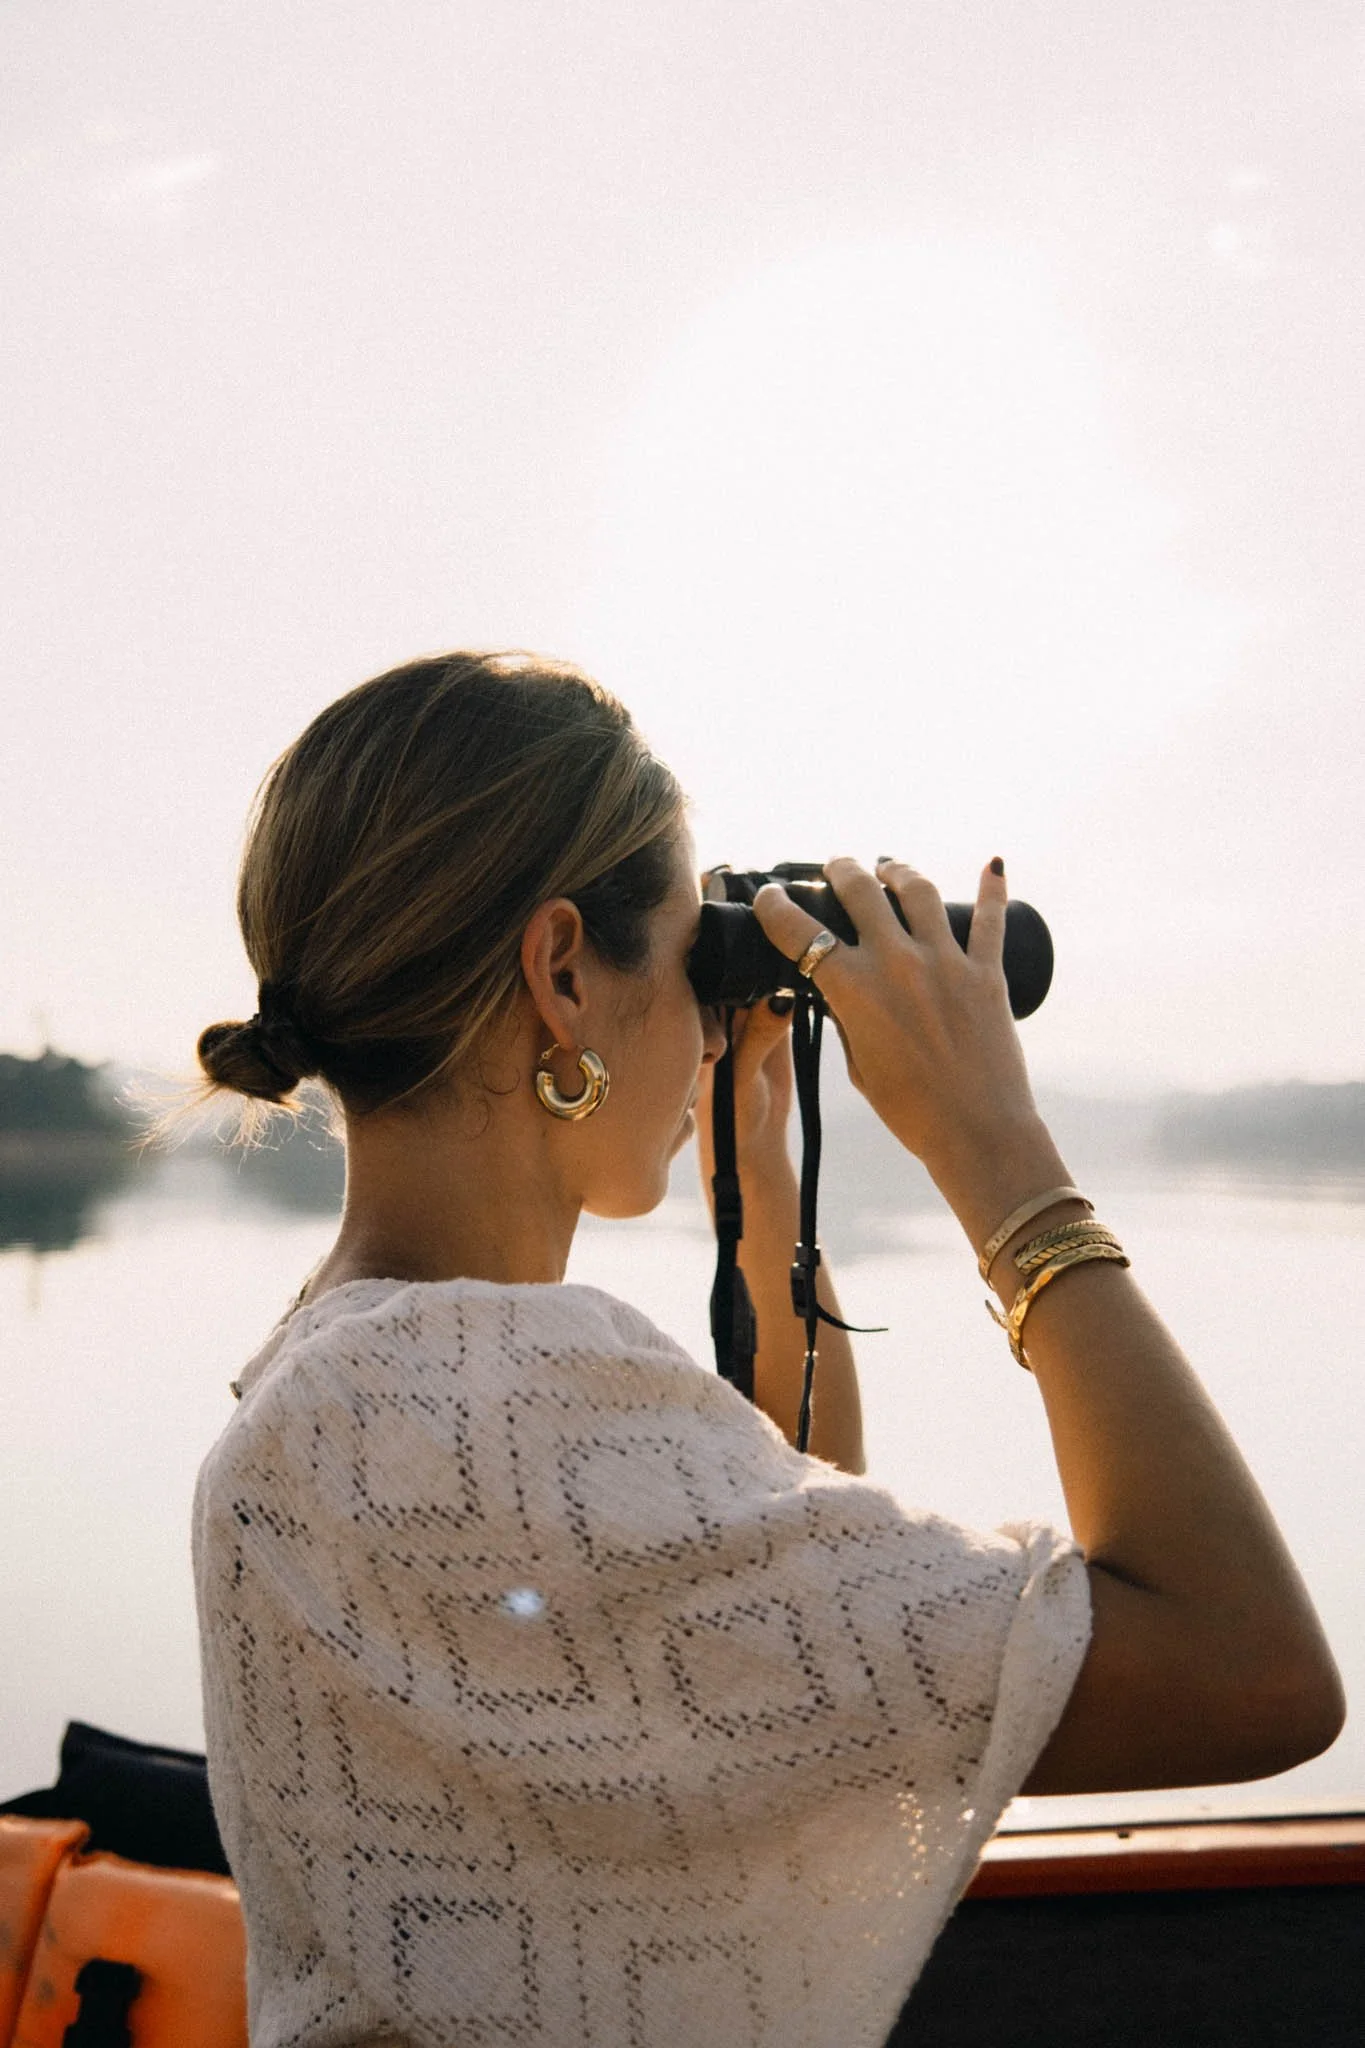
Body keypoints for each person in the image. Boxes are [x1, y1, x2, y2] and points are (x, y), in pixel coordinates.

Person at [189, 650, 1342, 2048]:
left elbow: (773, 1657)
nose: (711, 1015)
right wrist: (1000, 1158)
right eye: (695, 955)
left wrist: (771, 1234)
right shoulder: (472, 1395)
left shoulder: (342, 1374)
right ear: (562, 968)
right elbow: (1249, 1673)